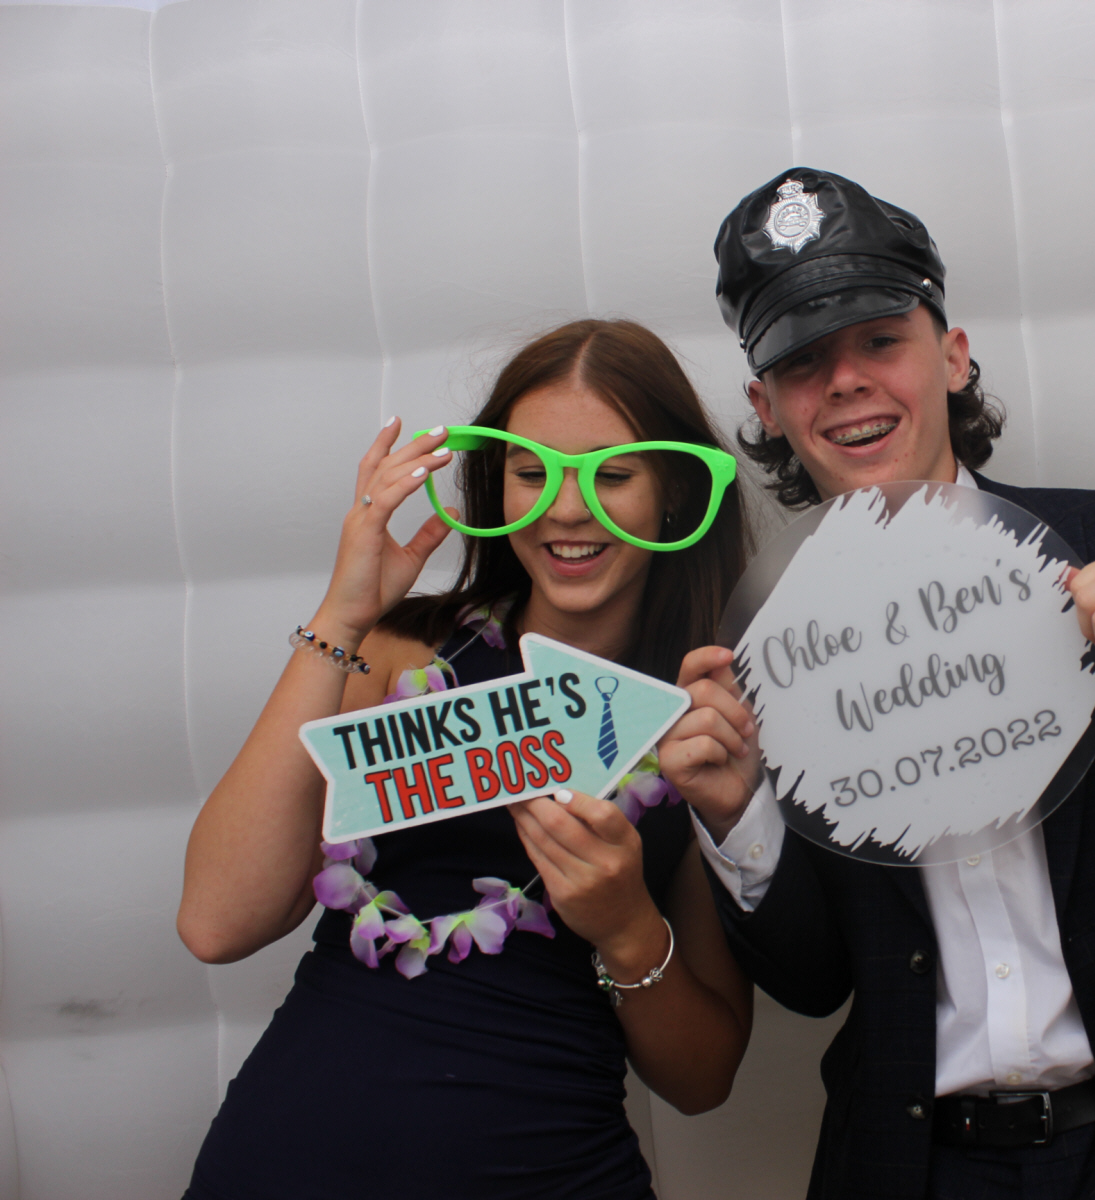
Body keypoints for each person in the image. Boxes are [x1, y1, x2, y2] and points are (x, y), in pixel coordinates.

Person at [657, 170, 1095, 1199]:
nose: (846, 381)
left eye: (880, 340)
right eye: (803, 362)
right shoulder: (765, 658)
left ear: (952, 356)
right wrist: (739, 821)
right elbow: (814, 984)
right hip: (930, 1165)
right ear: (766, 408)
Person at [177, 319, 754, 1199]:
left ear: (675, 489)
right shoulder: (402, 652)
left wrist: (627, 926)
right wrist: (342, 616)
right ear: (495, 484)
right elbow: (218, 923)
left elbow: (702, 1079)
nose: (567, 509)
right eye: (531, 472)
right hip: (288, 1159)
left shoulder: (703, 724)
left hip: (551, 1169)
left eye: (612, 474)